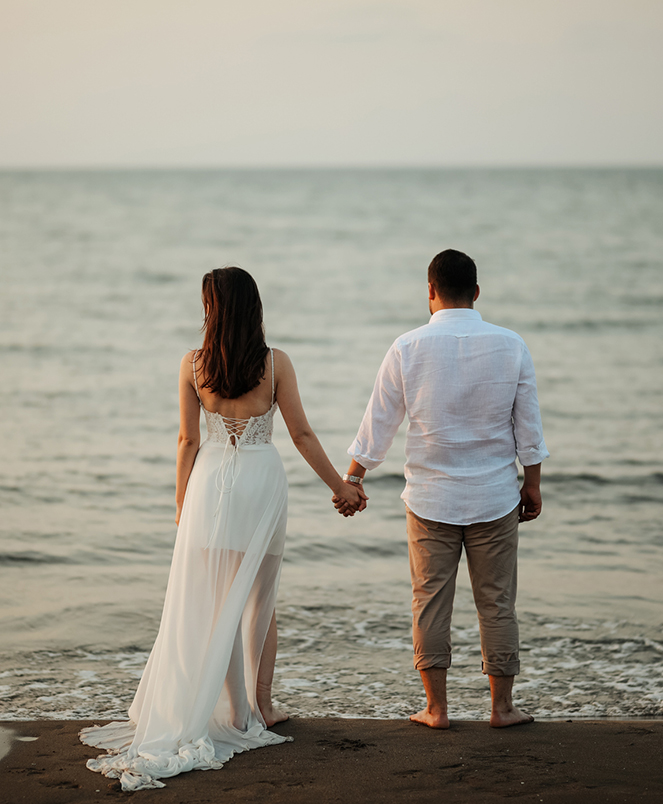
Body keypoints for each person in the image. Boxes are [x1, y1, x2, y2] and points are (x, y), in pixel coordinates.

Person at [81, 267, 367, 791]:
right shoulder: (275, 363)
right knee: (260, 599)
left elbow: (187, 442)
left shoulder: (194, 365)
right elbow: (301, 433)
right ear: (253, 307)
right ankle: (256, 708)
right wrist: (339, 488)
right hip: (261, 479)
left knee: (217, 602)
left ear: (212, 308)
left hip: (210, 484)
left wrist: (180, 503)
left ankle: (236, 712)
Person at [335, 249, 549, 729]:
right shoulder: (511, 344)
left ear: (430, 291)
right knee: (496, 601)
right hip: (495, 497)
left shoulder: (407, 347)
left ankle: (436, 710)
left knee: (429, 599)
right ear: (475, 292)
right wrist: (531, 484)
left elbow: (379, 423)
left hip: (430, 499)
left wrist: (354, 477)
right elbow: (528, 426)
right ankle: (502, 708)